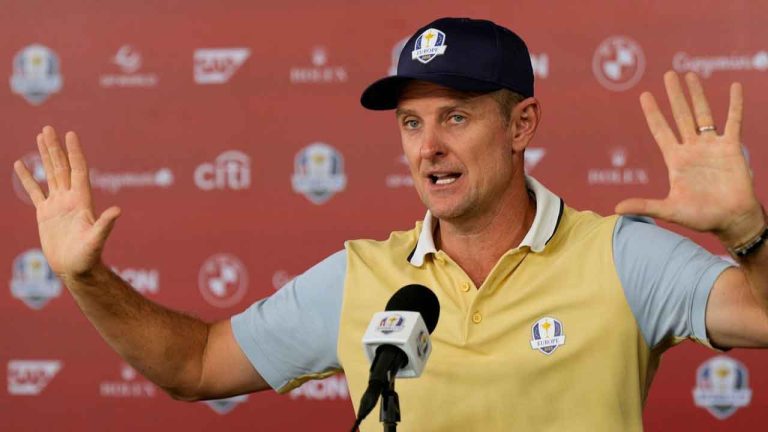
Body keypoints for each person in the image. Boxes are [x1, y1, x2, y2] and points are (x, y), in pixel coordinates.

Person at [13, 17, 768, 431]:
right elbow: (197, 366)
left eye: (457, 117)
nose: (428, 147)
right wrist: (85, 278)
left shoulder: (621, 256)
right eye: (411, 123)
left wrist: (746, 232)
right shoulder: (361, 277)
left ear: (521, 124)